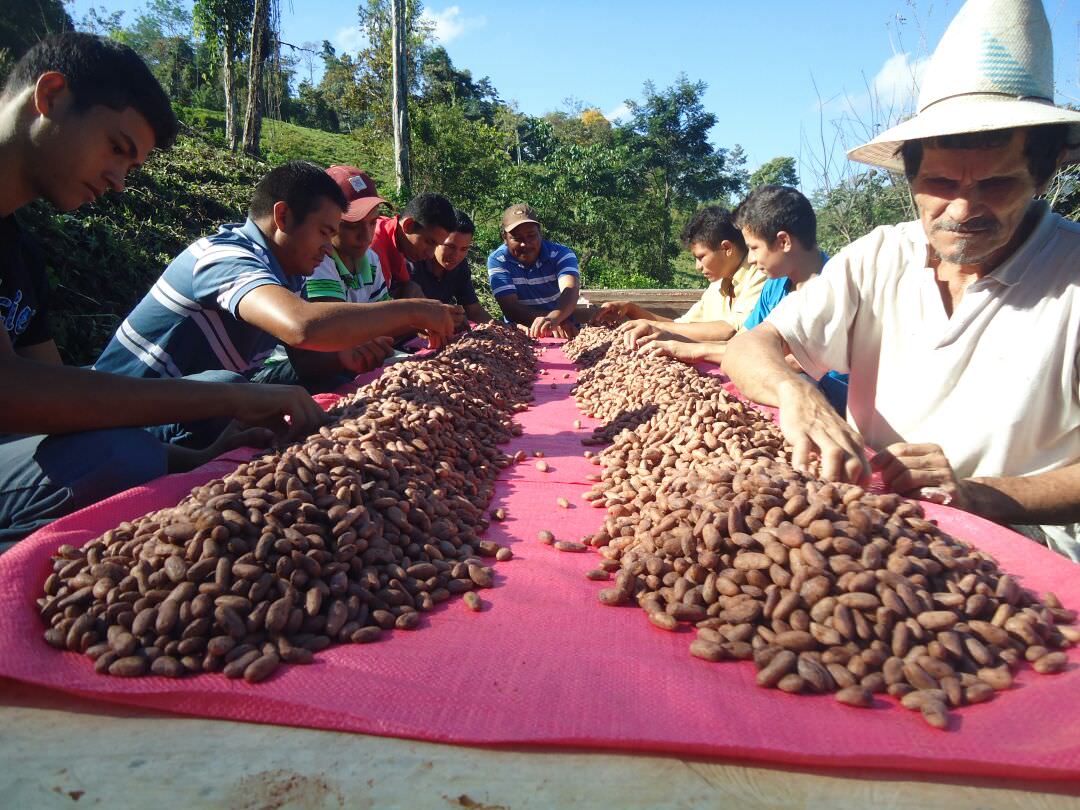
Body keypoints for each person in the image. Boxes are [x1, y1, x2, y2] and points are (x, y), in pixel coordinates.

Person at [722, 0, 1080, 558]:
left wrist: (981, 495)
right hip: (875, 524)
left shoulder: (1070, 276)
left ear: (1046, 171)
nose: (962, 210)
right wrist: (796, 392)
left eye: (996, 184)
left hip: (1021, 544)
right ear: (910, 175)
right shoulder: (879, 256)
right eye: (939, 183)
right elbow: (750, 346)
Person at [0, 33, 328, 543]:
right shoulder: (229, 253)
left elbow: (54, 404)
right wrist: (227, 400)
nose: (118, 181)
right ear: (51, 96)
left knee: (199, 402)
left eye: (131, 166)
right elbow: (15, 394)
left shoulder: (19, 252)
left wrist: (195, 459)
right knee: (124, 450)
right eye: (117, 148)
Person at [94, 160, 461, 444]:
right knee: (227, 384)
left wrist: (343, 357)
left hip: (175, 414)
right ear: (282, 216)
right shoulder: (223, 256)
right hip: (115, 418)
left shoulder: (289, 275)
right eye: (324, 233)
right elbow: (301, 326)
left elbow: (307, 358)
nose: (327, 248)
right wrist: (414, 310)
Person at [254, 165, 397, 392]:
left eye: (373, 223)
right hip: (280, 368)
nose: (366, 237)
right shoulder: (312, 261)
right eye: (351, 226)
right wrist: (411, 312)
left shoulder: (369, 259)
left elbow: (383, 326)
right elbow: (328, 332)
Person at [594, 205, 766, 355]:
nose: (697, 267)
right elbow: (681, 325)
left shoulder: (762, 275)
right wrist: (631, 309)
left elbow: (731, 330)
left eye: (701, 257)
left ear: (726, 248)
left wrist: (653, 326)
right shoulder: (717, 284)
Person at [487, 204, 580, 338]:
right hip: (520, 335)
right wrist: (550, 321)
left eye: (531, 236)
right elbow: (510, 307)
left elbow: (570, 289)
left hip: (563, 328)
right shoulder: (498, 260)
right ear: (504, 238)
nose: (525, 244)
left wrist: (555, 318)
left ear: (540, 233)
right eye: (517, 238)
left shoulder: (561, 254)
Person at [410, 209, 492, 324]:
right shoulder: (413, 264)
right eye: (450, 246)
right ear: (437, 241)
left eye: (463, 249)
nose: (456, 256)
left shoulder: (460, 266)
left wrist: (501, 328)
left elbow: (474, 311)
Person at [371, 192, 456, 300]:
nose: (430, 255)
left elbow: (406, 284)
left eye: (436, 245)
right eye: (429, 242)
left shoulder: (396, 235)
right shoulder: (373, 251)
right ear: (408, 226)